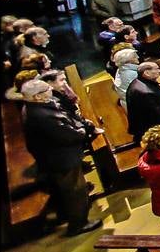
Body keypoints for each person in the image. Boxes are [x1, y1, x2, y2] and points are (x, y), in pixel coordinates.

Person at [19, 79, 102, 236]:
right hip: (62, 159)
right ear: (37, 96)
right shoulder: (42, 115)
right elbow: (66, 134)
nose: (51, 90)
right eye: (47, 89)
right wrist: (83, 132)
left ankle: (66, 215)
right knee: (75, 191)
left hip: (54, 157)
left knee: (68, 189)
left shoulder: (34, 108)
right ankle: (78, 224)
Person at [125, 61, 160, 142]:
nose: (159, 71)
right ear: (147, 73)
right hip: (149, 130)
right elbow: (158, 114)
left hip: (143, 124)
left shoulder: (137, 81)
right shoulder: (146, 93)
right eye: (156, 69)